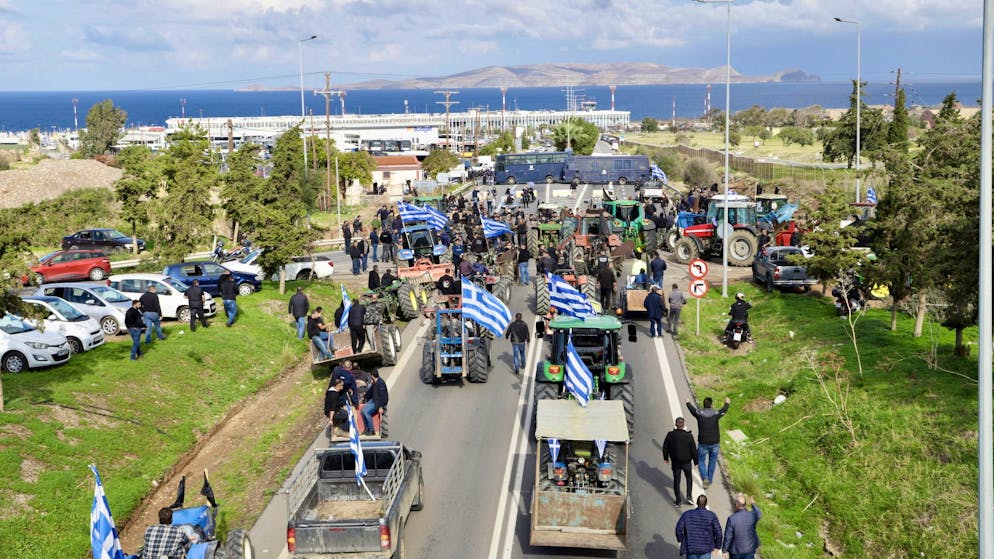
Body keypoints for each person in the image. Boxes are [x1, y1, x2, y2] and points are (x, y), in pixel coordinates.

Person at [686, 396, 731, 488]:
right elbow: (723, 411)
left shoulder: (699, 414)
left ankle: (705, 477)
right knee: (712, 461)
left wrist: (688, 403)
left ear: (704, 405)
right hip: (715, 443)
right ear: (711, 405)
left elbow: (692, 410)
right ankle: (709, 479)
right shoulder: (716, 414)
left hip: (703, 443)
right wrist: (727, 403)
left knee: (701, 460)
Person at [663, 417, 698, 506]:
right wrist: (696, 461)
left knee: (676, 480)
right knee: (689, 479)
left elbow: (665, 447)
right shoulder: (689, 436)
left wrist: (666, 458)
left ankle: (678, 500)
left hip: (675, 462)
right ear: (683, 425)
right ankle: (689, 497)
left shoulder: (670, 435)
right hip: (687, 462)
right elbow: (693, 449)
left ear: (675, 425)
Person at [675, 494, 723, 559]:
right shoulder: (712, 516)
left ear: (697, 503)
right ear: (706, 504)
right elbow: (719, 532)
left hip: (691, 548)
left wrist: (681, 540)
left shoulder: (687, 514)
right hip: (706, 549)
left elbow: (678, 529)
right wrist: (717, 546)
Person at [722, 494, 762, 559]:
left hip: (736, 551)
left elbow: (728, 536)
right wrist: (753, 504)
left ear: (737, 504)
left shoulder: (732, 519)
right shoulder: (752, 515)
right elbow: (759, 514)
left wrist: (724, 550)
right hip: (750, 549)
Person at [361, 369, 389, 436]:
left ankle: (371, 430)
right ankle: (366, 428)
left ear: (372, 376)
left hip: (378, 402)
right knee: (362, 411)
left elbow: (383, 397)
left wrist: (381, 407)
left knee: (366, 412)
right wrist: (364, 397)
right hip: (373, 400)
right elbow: (370, 391)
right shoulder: (375, 382)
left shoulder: (380, 383)